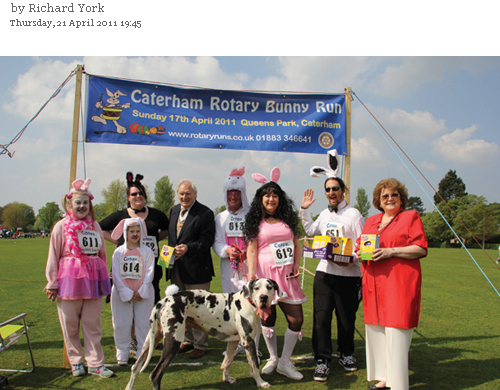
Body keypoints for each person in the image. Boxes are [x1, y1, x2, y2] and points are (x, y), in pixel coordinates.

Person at [355, 178, 428, 390]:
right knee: (376, 330)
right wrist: (359, 252)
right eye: (384, 196)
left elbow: (421, 248)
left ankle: (398, 384)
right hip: (373, 284)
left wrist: (391, 251)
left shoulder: (410, 217)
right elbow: (361, 244)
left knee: (397, 331)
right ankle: (385, 378)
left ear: (401, 198)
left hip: (399, 283)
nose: (389, 199)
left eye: (393, 195)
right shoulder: (371, 221)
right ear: (378, 200)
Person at [299, 149, 365, 381]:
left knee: (347, 318)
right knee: (322, 317)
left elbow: (361, 246)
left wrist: (350, 258)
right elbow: (310, 231)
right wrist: (305, 209)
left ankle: (346, 353)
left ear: (343, 190)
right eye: (327, 189)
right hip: (325, 275)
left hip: (348, 275)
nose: (331, 193)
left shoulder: (354, 215)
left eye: (335, 189)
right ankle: (322, 359)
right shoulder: (325, 215)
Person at [45, 179, 113, 378]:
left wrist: (104, 277)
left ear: (90, 204)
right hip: (69, 280)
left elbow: (102, 254)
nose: (82, 206)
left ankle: (96, 363)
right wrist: (52, 283)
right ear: (70, 204)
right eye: (78, 203)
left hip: (93, 279)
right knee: (70, 323)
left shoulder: (95, 226)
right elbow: (53, 255)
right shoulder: (61, 227)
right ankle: (76, 362)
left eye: (85, 203)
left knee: (93, 323)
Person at [243, 167, 307, 381]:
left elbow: (297, 244)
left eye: (274, 195)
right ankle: (272, 358)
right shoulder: (254, 222)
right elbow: (251, 249)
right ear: (260, 199)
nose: (271, 199)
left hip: (287, 276)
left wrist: (297, 264)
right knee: (268, 317)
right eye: (266, 195)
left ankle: (285, 361)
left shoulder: (288, 219)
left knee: (296, 319)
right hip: (264, 276)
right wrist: (252, 275)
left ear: (280, 199)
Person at [100, 172, 169, 305]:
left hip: (151, 266)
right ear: (128, 197)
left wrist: (155, 238)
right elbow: (100, 227)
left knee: (152, 304)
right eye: (134, 194)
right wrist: (119, 241)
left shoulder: (157, 214)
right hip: (128, 267)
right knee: (127, 303)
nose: (138, 196)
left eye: (141, 193)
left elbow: (168, 230)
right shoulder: (120, 215)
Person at [168, 179, 215, 359]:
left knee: (199, 308)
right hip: (176, 268)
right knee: (179, 307)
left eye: (188, 193)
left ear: (195, 194)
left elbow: (206, 241)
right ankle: (186, 340)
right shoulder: (173, 211)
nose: (184, 197)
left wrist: (188, 248)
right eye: (181, 193)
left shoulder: (205, 213)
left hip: (197, 269)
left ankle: (201, 344)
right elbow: (173, 239)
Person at [110, 218, 155, 365]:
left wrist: (142, 290)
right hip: (122, 293)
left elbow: (149, 271)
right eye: (132, 231)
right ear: (125, 232)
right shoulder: (118, 252)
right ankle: (122, 351)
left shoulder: (147, 251)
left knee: (143, 323)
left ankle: (143, 351)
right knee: (121, 322)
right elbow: (115, 274)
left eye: (137, 231)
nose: (135, 234)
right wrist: (125, 292)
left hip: (143, 293)